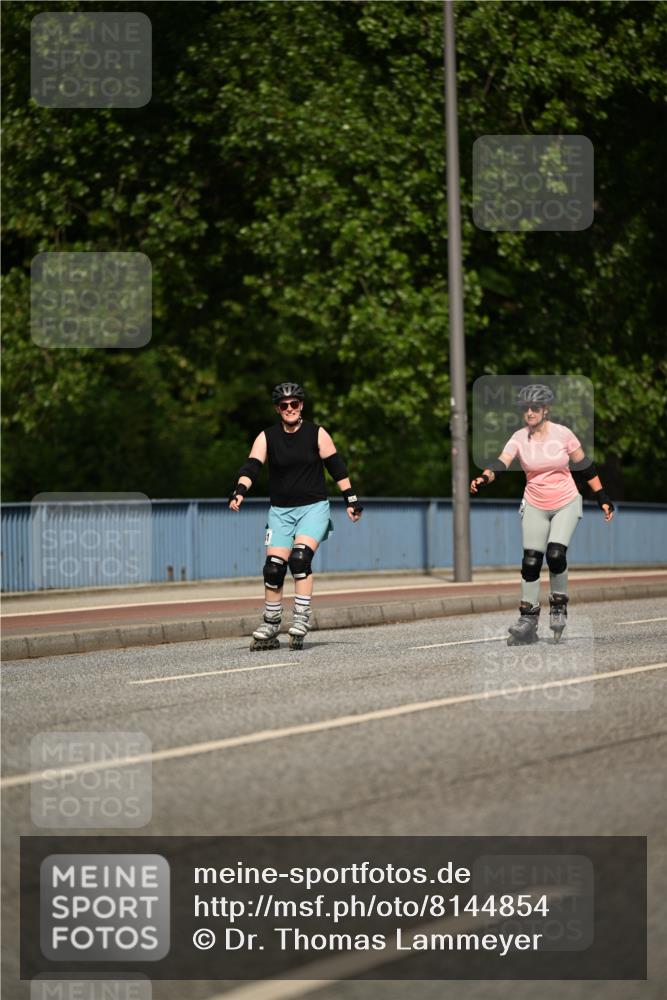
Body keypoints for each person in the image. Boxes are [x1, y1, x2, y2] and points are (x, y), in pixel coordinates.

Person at [470, 384, 615, 644]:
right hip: (535, 503)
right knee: (531, 561)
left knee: (555, 554)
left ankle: (558, 606)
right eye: (525, 408)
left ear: (545, 410)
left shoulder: (562, 434)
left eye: (534, 408)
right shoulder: (518, 437)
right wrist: (485, 476)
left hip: (565, 502)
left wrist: (602, 497)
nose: (529, 412)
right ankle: (528, 619)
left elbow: (585, 467)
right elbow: (502, 461)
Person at [228, 382, 363, 650]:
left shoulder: (317, 433)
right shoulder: (267, 437)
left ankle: (301, 618)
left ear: (301, 405)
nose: (289, 409)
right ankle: (271, 622)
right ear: (278, 409)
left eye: (294, 404)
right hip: (280, 512)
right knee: (274, 568)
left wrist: (352, 500)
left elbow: (336, 466)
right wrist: (239, 491)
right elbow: (252, 465)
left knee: (300, 559)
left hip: (313, 509)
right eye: (284, 405)